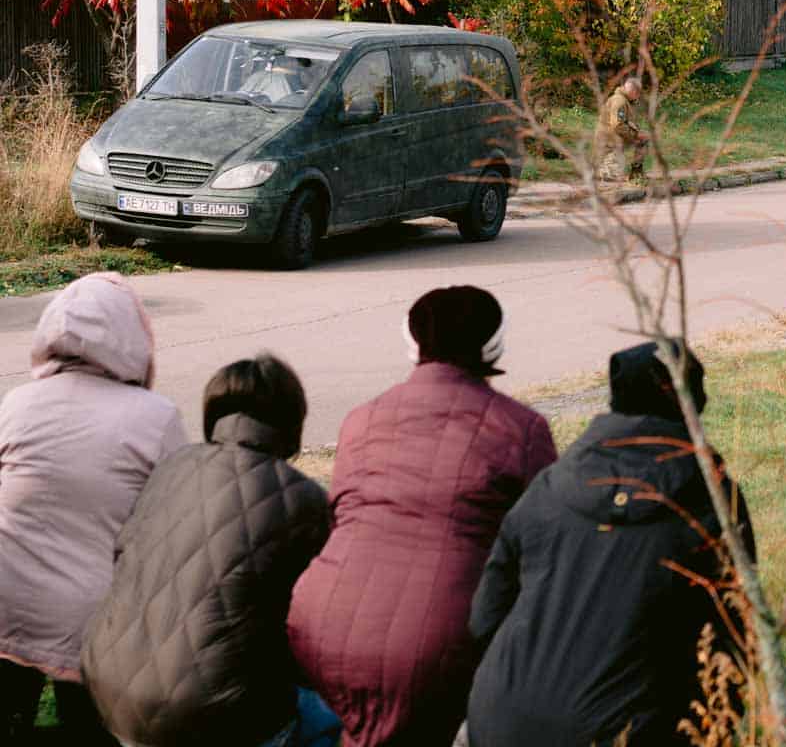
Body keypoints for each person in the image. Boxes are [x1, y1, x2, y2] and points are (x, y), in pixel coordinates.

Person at [287, 288, 557, 747]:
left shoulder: (361, 419)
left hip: (322, 623)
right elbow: (545, 554)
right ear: (495, 345)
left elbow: (343, 518)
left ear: (411, 344)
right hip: (440, 639)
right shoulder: (521, 430)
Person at [467, 341, 751, 747]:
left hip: (502, 717)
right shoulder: (713, 501)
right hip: (625, 728)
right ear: (694, 402)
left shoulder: (549, 487)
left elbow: (484, 619)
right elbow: (734, 639)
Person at [83, 355, 335, 747]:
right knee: (333, 715)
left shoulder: (171, 469)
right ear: (292, 421)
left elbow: (123, 559)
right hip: (217, 714)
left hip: (115, 691)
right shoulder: (303, 498)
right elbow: (316, 623)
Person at [0, 275, 186, 745]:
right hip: (99, 624)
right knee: (90, 731)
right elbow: (175, 524)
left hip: (8, 605)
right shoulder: (156, 417)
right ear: (134, 337)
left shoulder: (16, 404)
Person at [596, 77, 647, 183]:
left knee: (644, 139)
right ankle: (606, 170)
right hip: (609, 140)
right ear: (633, 91)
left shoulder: (625, 100)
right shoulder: (620, 101)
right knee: (612, 177)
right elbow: (617, 126)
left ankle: (636, 172)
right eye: (638, 93)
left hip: (614, 138)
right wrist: (635, 135)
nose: (638, 96)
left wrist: (637, 133)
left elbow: (626, 123)